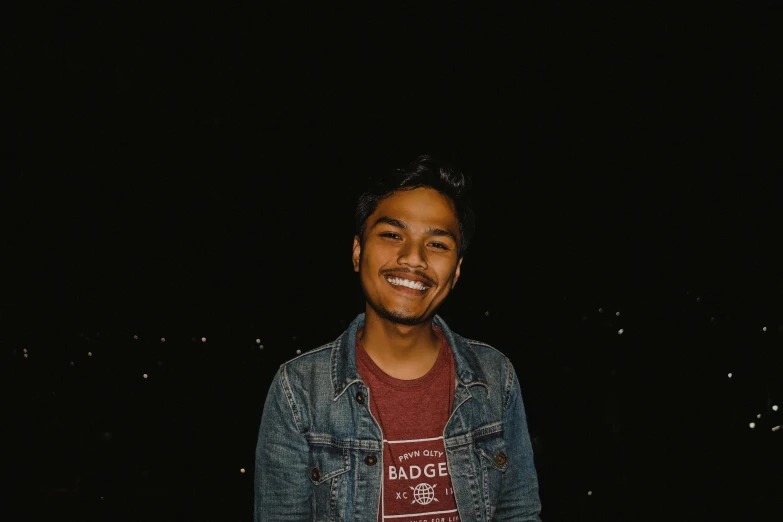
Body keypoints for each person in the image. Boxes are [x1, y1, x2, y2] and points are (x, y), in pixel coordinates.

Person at [254, 155, 541, 521]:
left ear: (456, 272)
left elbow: (519, 512)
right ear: (358, 252)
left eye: (437, 244)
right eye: (392, 235)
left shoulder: (495, 376)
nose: (412, 258)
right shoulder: (299, 389)